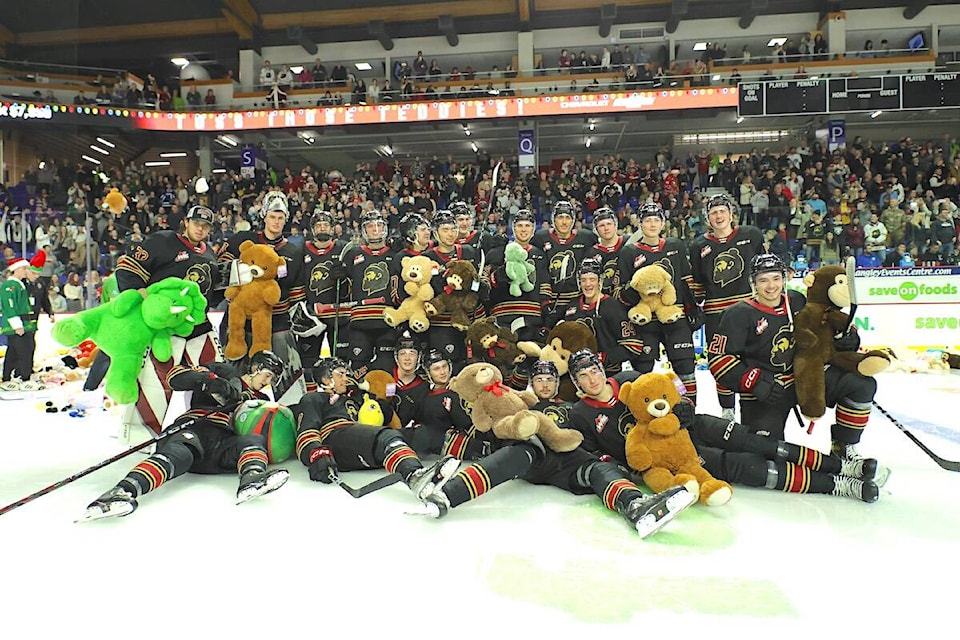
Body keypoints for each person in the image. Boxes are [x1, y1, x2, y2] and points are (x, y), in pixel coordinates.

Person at [417, 355, 696, 538]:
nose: (546, 385)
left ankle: (636, 506)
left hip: (565, 456)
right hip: (532, 453)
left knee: (596, 469)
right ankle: (446, 496)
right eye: (539, 380)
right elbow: (486, 430)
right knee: (521, 453)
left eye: (550, 379)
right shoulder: (520, 401)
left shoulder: (573, 408)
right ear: (532, 383)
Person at [707, 253, 889, 485]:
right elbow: (719, 359)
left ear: (784, 279)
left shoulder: (797, 301)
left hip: (805, 379)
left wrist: (847, 339)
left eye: (776, 278)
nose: (771, 286)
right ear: (753, 282)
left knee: (861, 384)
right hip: (765, 392)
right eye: (763, 280)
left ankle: (843, 447)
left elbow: (826, 328)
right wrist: (754, 382)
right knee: (764, 458)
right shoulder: (738, 314)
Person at [78, 351, 290, 521]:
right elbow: (174, 377)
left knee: (253, 441)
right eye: (267, 375)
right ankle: (122, 491)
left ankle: (252, 480)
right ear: (255, 368)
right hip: (195, 428)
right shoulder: (223, 371)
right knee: (180, 453)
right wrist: (208, 381)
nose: (267, 383)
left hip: (222, 444)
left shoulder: (261, 399)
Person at [115, 204, 229, 442]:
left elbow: (212, 294)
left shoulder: (209, 254)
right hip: (166, 328)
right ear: (186, 222)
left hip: (199, 326)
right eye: (197, 223)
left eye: (206, 226)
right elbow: (127, 269)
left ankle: (211, 430)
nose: (201, 228)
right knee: (155, 383)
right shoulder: (163, 241)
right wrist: (146, 298)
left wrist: (233, 286)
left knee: (213, 378)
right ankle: (139, 437)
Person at [291, 357, 460, 501]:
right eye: (340, 374)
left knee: (422, 435)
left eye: (346, 374)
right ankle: (414, 476)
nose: (346, 378)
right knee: (387, 437)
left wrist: (373, 398)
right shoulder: (313, 398)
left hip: (364, 440)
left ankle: (478, 449)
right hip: (337, 438)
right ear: (326, 380)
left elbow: (385, 414)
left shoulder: (355, 398)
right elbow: (306, 430)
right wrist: (317, 455)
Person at [219, 191, 307, 405]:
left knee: (286, 381)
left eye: (280, 218)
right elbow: (220, 270)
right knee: (233, 376)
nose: (276, 222)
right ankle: (227, 414)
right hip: (239, 321)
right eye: (272, 216)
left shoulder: (294, 251)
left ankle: (286, 417)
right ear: (264, 216)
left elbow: (296, 295)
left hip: (277, 323)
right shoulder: (243, 240)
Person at [688, 194, 765, 420]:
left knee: (754, 358)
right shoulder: (699, 245)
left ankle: (753, 407)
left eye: (722, 211)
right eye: (713, 212)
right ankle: (728, 410)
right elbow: (697, 283)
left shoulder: (751, 235)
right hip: (716, 315)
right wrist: (693, 306)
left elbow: (765, 270)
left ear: (731, 214)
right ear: (708, 218)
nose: (718, 216)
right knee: (722, 361)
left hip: (749, 310)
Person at [616, 202, 699, 403]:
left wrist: (692, 308)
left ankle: (688, 411)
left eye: (656, 220)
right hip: (645, 322)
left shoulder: (675, 246)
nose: (652, 224)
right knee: (643, 370)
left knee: (685, 367)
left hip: (674, 316)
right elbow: (620, 292)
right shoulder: (629, 252)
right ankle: (643, 414)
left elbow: (686, 282)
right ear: (640, 224)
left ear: (663, 223)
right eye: (647, 220)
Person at [340, 209, 397, 375]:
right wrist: (339, 277)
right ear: (364, 230)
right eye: (371, 226)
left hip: (387, 320)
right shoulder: (353, 254)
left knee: (385, 367)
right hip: (360, 321)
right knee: (358, 369)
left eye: (379, 225)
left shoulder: (395, 254)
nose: (375, 229)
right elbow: (344, 292)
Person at [532, 200, 598, 328]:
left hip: (576, 299)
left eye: (567, 217)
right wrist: (544, 301)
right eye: (560, 217)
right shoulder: (540, 238)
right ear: (553, 220)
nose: (564, 222)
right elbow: (539, 269)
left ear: (573, 220)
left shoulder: (586, 238)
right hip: (551, 301)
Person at [1, 257, 38, 390]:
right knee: (24, 351)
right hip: (17, 324)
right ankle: (24, 378)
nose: (26, 271)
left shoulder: (19, 285)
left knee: (14, 351)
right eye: (24, 268)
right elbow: (10, 306)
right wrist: (17, 325)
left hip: (23, 323)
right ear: (15, 269)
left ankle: (8, 377)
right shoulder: (10, 286)